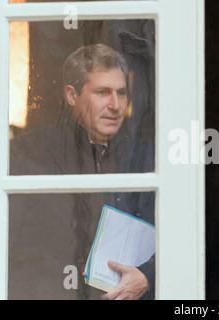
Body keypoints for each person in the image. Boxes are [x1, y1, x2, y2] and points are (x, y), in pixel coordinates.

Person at [9, 44, 155, 300]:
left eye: (122, 93)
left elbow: (181, 233)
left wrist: (148, 275)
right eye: (102, 92)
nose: (115, 105)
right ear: (71, 95)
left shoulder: (146, 159)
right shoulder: (26, 154)